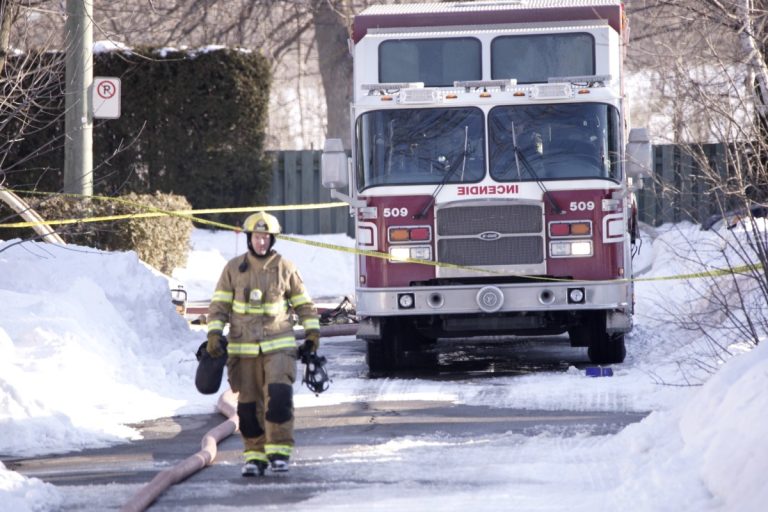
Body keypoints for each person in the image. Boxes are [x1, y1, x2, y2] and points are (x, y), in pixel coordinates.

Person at [206, 211, 320, 476]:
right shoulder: (233, 269)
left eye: (265, 237)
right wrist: (213, 335)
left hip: (278, 348)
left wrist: (313, 335)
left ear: (272, 239)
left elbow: (305, 305)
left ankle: (279, 452)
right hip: (243, 352)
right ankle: (254, 455)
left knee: (279, 399)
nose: (261, 242)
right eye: (257, 237)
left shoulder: (286, 268)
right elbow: (219, 306)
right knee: (247, 408)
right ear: (249, 238)